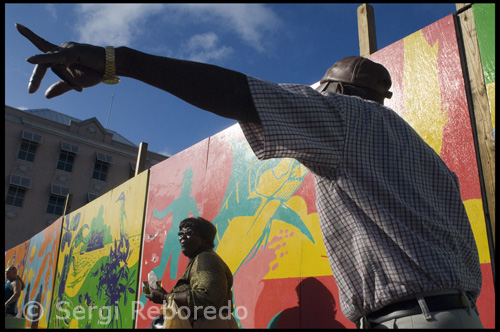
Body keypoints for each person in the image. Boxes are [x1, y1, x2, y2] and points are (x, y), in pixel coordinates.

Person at [16, 23, 483, 329]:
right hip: (463, 314)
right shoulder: (424, 156)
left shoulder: (344, 117)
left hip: (406, 320)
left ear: (335, 92)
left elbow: (239, 92)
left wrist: (116, 61)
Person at [145, 217, 238, 328]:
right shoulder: (199, 259)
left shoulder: (205, 258)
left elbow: (206, 298)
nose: (182, 237)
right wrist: (165, 296)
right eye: (180, 233)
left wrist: (165, 297)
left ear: (204, 239)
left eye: (189, 233)